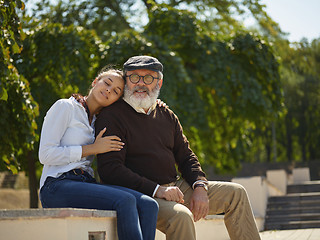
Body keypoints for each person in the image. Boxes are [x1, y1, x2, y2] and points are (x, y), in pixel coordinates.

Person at [95, 56, 262, 240]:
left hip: (175, 188)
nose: (141, 83)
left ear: (159, 82)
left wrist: (199, 186)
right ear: (126, 80)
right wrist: (158, 189)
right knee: (181, 216)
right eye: (134, 77)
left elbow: (186, 156)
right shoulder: (112, 116)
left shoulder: (166, 114)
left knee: (236, 194)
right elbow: (110, 170)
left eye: (148, 78)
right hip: (141, 194)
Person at [38, 66, 159, 240]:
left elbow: (135, 109)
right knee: (125, 201)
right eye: (107, 83)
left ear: (117, 100)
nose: (109, 90)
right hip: (56, 185)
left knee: (149, 205)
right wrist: (92, 149)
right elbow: (45, 154)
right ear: (95, 82)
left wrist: (156, 105)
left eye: (116, 91)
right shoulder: (66, 107)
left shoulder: (99, 121)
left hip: (85, 183)